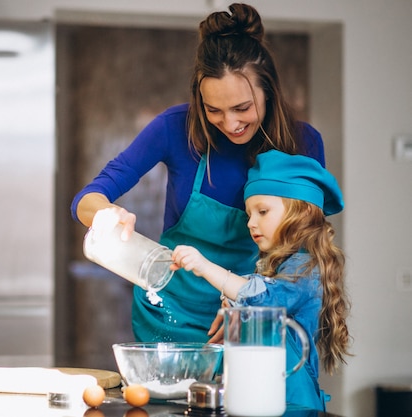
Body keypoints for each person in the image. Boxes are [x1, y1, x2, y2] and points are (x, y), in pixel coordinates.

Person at [71, 3, 326, 343]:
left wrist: (244, 304)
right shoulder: (174, 128)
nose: (230, 124)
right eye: (213, 110)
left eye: (242, 108)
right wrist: (105, 213)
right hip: (169, 313)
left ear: (269, 91)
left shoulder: (303, 143)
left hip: (251, 314)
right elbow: (85, 199)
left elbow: (306, 252)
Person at [171, 149, 351, 411]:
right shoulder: (277, 268)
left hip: (292, 402)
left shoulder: (305, 267)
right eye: (249, 214)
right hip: (262, 395)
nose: (251, 223)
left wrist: (204, 267)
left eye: (263, 211)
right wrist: (235, 309)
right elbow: (255, 298)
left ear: (299, 213)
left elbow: (265, 299)